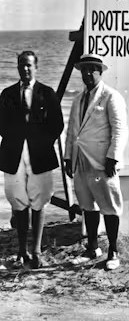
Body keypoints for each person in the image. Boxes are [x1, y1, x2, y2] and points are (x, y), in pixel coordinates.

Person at [0, 51, 64, 269]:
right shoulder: (7, 94)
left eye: (28, 65)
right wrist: (16, 137)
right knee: (19, 202)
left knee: (39, 201)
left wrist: (39, 141)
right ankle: (21, 250)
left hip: (40, 154)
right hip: (14, 155)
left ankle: (35, 251)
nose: (25, 69)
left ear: (36, 67)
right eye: (21, 65)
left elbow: (57, 125)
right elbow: (1, 124)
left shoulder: (47, 93)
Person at [64, 54, 128, 271]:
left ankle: (113, 250)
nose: (88, 73)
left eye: (92, 69)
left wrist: (113, 156)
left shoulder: (111, 96)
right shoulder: (78, 100)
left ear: (101, 71)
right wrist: (67, 157)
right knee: (87, 205)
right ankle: (92, 248)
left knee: (109, 206)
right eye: (84, 70)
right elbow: (72, 131)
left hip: (102, 162)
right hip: (80, 161)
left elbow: (120, 130)